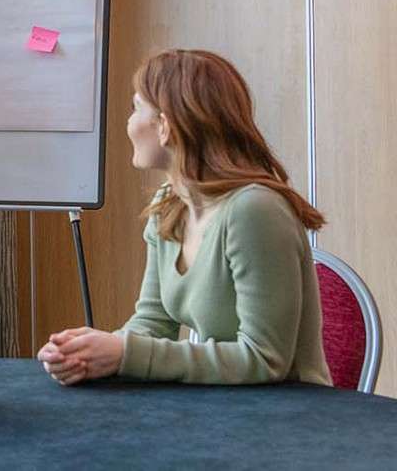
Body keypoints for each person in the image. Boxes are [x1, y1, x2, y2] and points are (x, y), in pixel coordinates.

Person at [38, 49, 331, 386]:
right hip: (223, 409)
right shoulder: (170, 204)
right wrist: (89, 355)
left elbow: (265, 359)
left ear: (165, 126)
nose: (128, 123)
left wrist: (124, 354)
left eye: (135, 109)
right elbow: (152, 321)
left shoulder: (254, 211)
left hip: (290, 419)